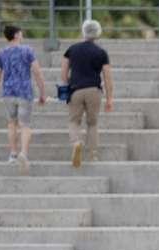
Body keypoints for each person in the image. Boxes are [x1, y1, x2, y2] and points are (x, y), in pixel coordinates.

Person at [0, 25, 46, 174]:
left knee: (11, 124)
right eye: (21, 33)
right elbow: (37, 72)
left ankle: (13, 153)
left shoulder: (1, 53)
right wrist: (43, 92)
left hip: (8, 93)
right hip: (24, 92)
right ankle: (23, 153)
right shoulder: (28, 51)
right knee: (25, 125)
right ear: (17, 35)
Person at [61, 19, 113, 168]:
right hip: (94, 90)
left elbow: (64, 72)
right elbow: (107, 77)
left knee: (73, 121)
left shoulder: (71, 50)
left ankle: (76, 142)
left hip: (75, 89)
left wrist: (66, 86)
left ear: (83, 31)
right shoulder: (101, 52)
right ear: (98, 33)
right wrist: (110, 98)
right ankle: (92, 154)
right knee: (93, 123)